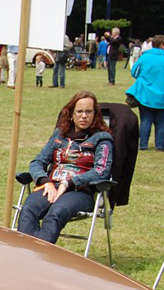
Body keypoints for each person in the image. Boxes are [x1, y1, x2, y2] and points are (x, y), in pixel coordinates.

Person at [16, 91, 113, 243]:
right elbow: (37, 162)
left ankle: (39, 257)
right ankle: (25, 253)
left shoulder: (102, 139)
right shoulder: (60, 135)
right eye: (79, 111)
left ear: (95, 114)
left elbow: (102, 171)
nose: (83, 116)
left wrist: (69, 183)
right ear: (71, 114)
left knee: (56, 213)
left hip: (80, 192)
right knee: (28, 209)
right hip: (51, 187)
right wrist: (45, 181)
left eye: (88, 111)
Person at [126, 34, 164, 152]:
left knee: (145, 119)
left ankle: (143, 144)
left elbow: (134, 72)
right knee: (161, 121)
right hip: (163, 94)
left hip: (145, 93)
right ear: (163, 45)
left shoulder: (145, 57)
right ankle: (160, 145)